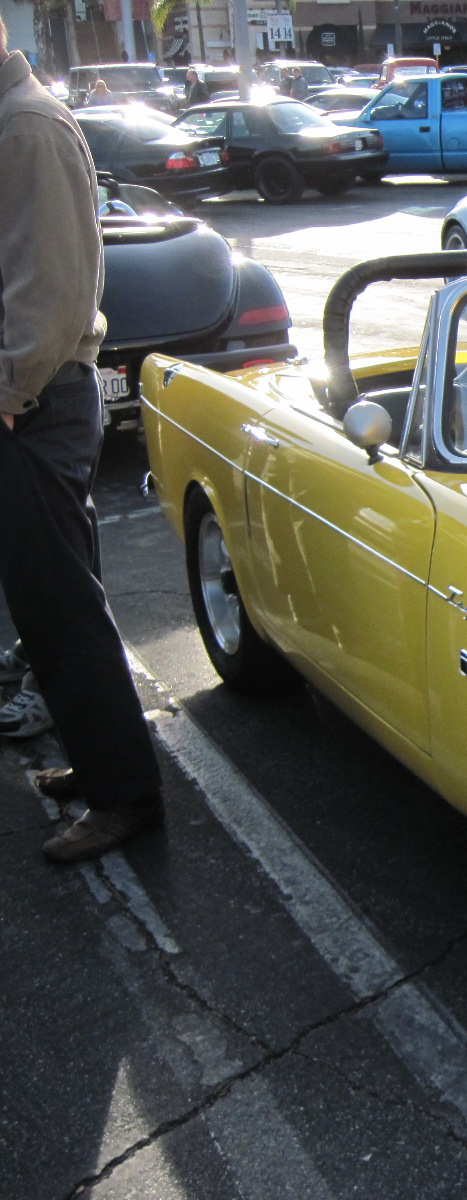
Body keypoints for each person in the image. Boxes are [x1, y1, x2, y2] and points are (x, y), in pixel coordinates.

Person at [0, 16, 166, 862]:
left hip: (34, 404)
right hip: (35, 401)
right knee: (57, 604)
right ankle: (101, 760)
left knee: (61, 611)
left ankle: (124, 795)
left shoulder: (24, 125)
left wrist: (6, 391)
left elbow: (53, 291)